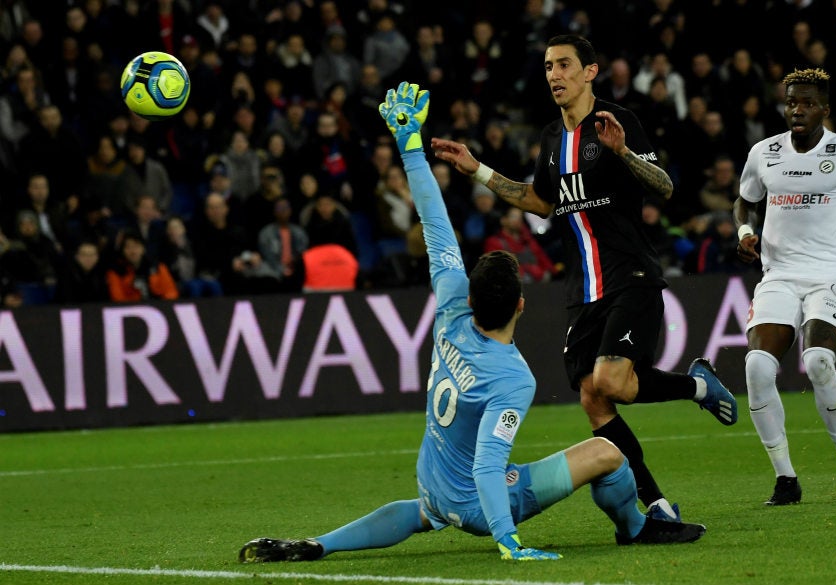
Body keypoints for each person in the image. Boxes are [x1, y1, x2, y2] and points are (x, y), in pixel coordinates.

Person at [238, 82, 706, 564]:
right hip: (483, 506)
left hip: (433, 484)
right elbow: (488, 465)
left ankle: (319, 544)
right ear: (521, 306)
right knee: (609, 453)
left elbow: (433, 218)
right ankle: (634, 527)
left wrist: (409, 146)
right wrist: (507, 539)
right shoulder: (512, 378)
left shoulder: (450, 307)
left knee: (421, 510)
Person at [431, 34, 737, 523]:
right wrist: (477, 170)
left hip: (630, 272)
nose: (554, 74)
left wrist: (624, 154)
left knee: (612, 381)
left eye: (565, 65)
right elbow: (541, 201)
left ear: (590, 72)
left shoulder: (618, 123)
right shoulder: (552, 138)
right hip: (583, 287)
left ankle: (697, 388)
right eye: (549, 66)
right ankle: (656, 504)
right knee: (594, 398)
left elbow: (665, 186)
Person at [733, 68, 836, 506]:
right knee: (756, 368)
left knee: (819, 361)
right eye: (791, 102)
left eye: (807, 103)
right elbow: (744, 201)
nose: (797, 110)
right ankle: (785, 479)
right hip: (778, 275)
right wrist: (743, 234)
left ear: (824, 110)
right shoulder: (764, 153)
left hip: (831, 274)